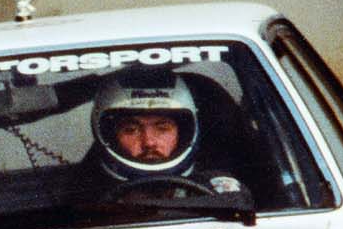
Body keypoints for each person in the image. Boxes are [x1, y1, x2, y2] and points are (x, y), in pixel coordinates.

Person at [87, 70, 247, 199]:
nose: (149, 142)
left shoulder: (222, 192)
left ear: (183, 133)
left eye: (162, 128)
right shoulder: (80, 198)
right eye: (131, 130)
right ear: (109, 135)